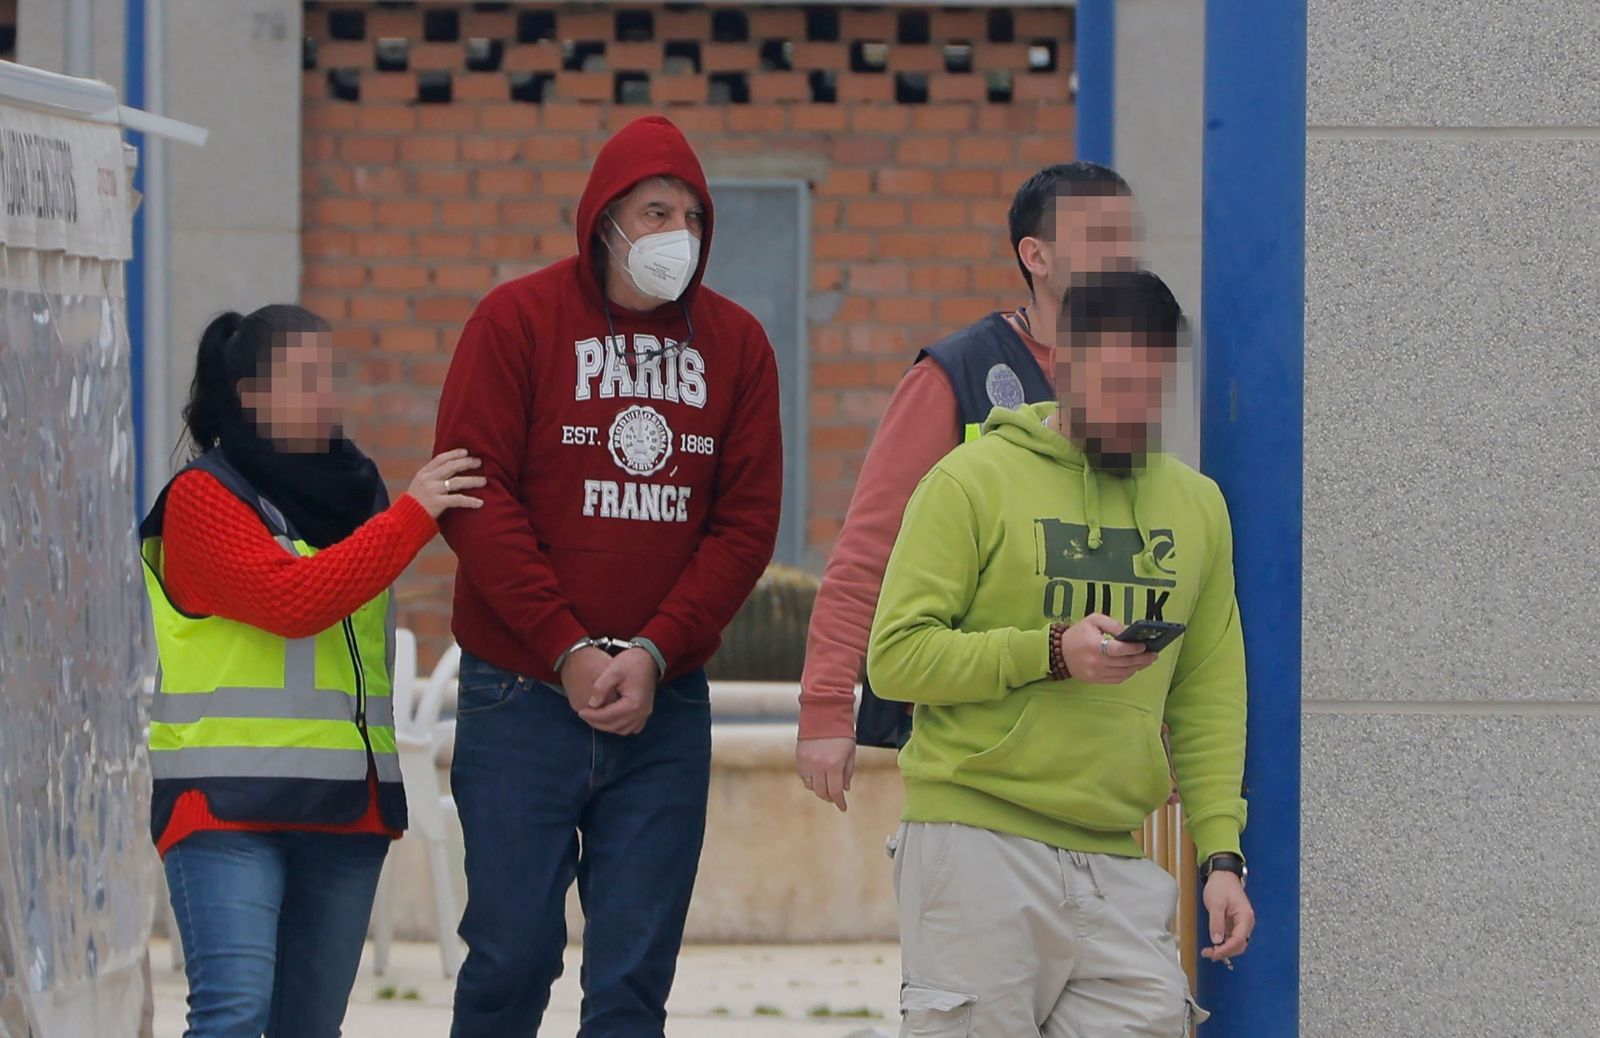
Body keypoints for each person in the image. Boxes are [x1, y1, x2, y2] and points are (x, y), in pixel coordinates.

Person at [434, 115, 782, 1036]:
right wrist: (567, 649)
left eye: (693, 217)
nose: (678, 235)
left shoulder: (738, 347)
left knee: (633, 981)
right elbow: (474, 498)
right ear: (605, 223)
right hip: (520, 698)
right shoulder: (515, 322)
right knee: (511, 959)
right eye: (655, 211)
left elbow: (743, 526)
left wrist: (658, 651)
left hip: (664, 706)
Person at [867, 270, 1254, 1036]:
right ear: (1064, 367)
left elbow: (1209, 692)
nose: (1134, 409)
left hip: (1116, 857)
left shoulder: (1197, 507)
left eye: (1152, 388)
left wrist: (1220, 855)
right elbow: (896, 658)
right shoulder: (969, 483)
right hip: (975, 842)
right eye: (1115, 383)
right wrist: (1048, 651)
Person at [138, 304, 484, 1037]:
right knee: (233, 1015)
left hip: (343, 812)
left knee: (310, 1027)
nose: (325, 394)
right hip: (227, 810)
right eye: (302, 378)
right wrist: (413, 517)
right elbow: (291, 601)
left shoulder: (356, 497)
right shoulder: (204, 499)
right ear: (249, 395)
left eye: (329, 375)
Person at [796, 162, 1141, 809]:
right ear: (1034, 255)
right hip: (973, 734)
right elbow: (870, 546)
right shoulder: (955, 374)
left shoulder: (1137, 382)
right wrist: (824, 707)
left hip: (1096, 741)